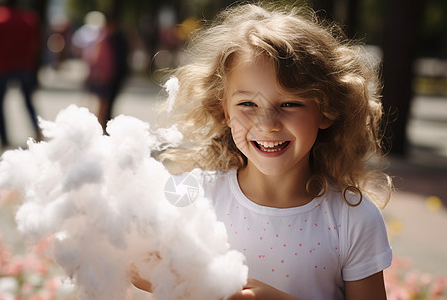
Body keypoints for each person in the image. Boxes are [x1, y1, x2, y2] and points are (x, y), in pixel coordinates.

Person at [134, 3, 393, 300]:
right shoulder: (194, 192)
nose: (267, 124)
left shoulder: (353, 219)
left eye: (290, 104)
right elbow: (134, 260)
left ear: (326, 111)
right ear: (225, 111)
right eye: (248, 104)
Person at [0, 0, 41, 149]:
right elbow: (34, 44)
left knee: (0, 105)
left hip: (1, 67)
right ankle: (36, 130)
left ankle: (4, 138)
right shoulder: (29, 19)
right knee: (28, 102)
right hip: (23, 66)